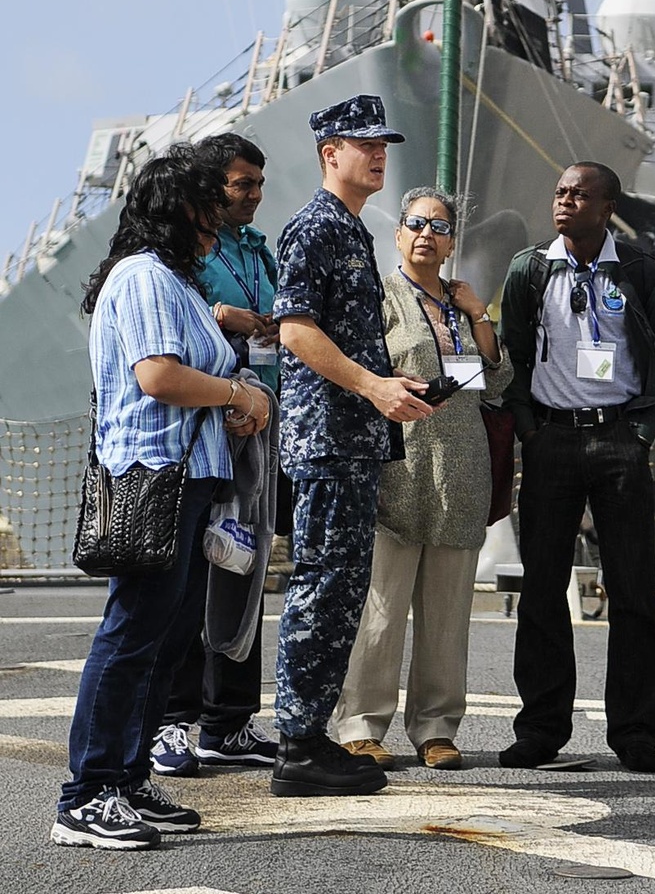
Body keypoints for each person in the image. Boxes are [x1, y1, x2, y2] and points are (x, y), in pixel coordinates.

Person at [51, 145, 271, 851]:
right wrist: (238, 391)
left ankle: (128, 775)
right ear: (182, 209)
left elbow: (195, 375)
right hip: (156, 476)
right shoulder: (146, 276)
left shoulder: (172, 278)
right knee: (131, 636)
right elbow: (159, 375)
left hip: (189, 473)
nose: (221, 216)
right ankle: (85, 794)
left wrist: (236, 401)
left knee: (166, 639)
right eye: (210, 204)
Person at [498, 161, 655, 773]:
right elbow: (514, 357)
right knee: (541, 591)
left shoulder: (640, 272)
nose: (565, 201)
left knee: (635, 591)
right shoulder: (529, 269)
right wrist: (529, 429)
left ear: (608, 206)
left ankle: (635, 735)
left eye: (579, 194)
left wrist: (642, 431)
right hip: (551, 441)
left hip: (619, 442)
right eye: (559, 191)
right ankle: (541, 730)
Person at [269, 94, 436, 798]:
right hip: (329, 439)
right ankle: (300, 743)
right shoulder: (313, 228)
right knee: (322, 588)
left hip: (354, 439)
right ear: (327, 152)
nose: (377, 153)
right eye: (362, 142)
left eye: (383, 143)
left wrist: (383, 379)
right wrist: (372, 385)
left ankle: (310, 739)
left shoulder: (350, 228)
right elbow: (294, 330)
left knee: (340, 591)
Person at [335, 187, 513, 770]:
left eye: (438, 227)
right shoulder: (380, 297)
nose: (425, 235)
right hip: (398, 467)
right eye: (415, 224)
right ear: (398, 234)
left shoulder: (462, 305)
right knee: (381, 607)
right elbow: (356, 370)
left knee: (447, 612)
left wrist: (479, 314)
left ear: (451, 241)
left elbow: (500, 378)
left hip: (460, 470)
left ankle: (436, 727)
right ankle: (362, 723)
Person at [151, 132, 280, 777]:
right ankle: (173, 720)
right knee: (189, 576)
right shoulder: (178, 260)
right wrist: (227, 314)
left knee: (244, 568)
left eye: (259, 184)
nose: (254, 196)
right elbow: (173, 327)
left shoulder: (260, 249)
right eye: (241, 185)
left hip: (257, 424)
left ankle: (228, 721)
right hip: (207, 427)